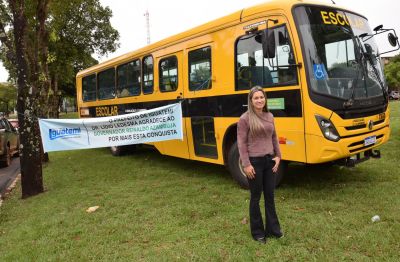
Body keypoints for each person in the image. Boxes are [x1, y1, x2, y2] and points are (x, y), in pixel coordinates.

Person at [237, 86, 283, 244]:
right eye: (256, 98)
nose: (259, 100)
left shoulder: (270, 115)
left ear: (265, 99)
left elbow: (274, 137)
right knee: (256, 197)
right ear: (251, 100)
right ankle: (258, 233)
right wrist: (246, 164)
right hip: (254, 163)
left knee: (270, 197)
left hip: (269, 161)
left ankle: (273, 230)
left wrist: (278, 156)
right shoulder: (245, 119)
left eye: (261, 97)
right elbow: (241, 144)